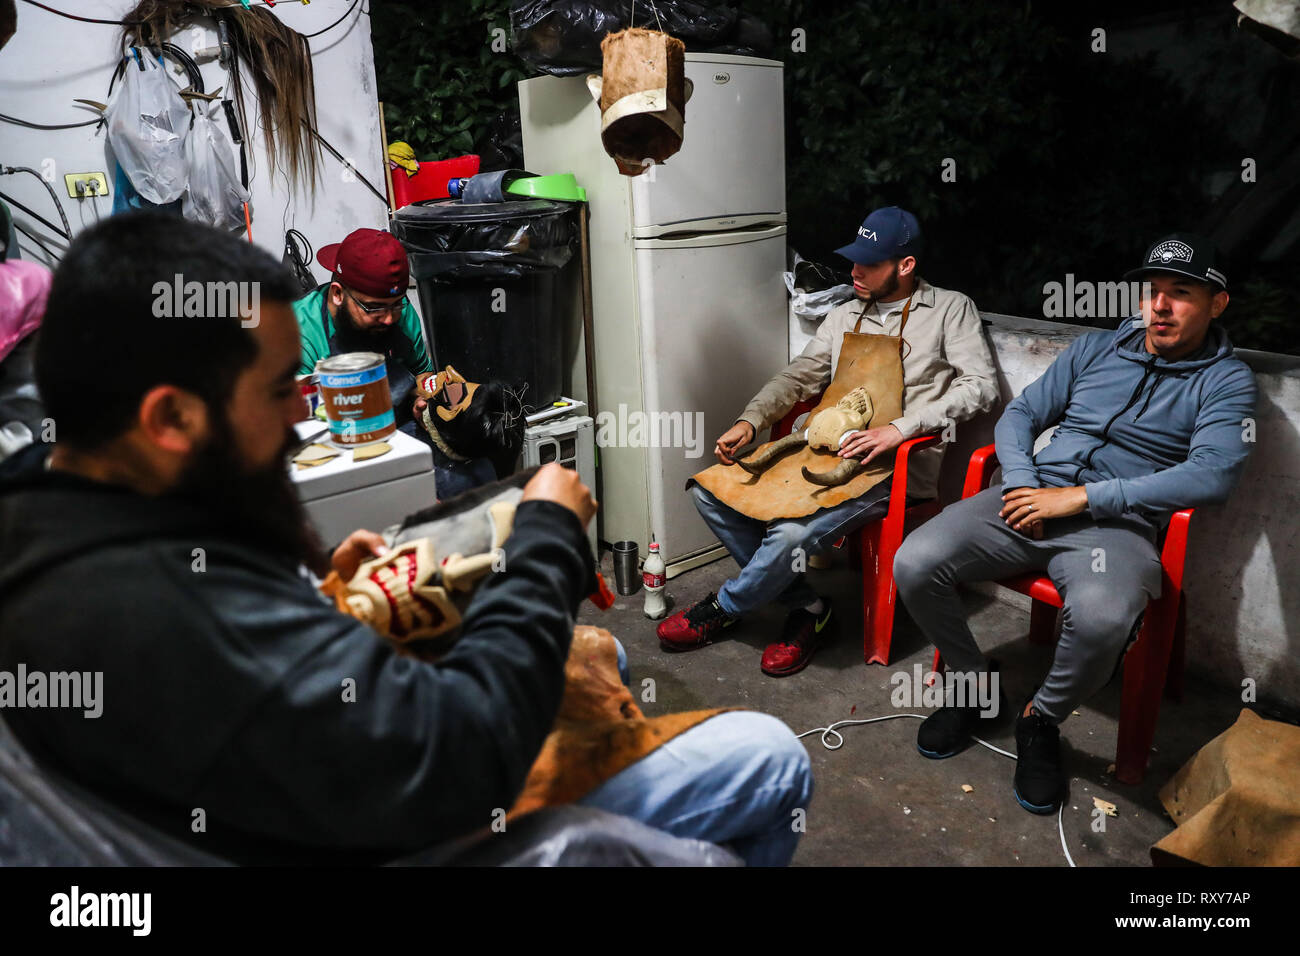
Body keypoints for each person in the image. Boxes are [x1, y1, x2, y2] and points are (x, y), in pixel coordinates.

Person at [0, 212, 811, 865]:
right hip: (409, 815)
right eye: (285, 391)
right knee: (770, 756)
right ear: (171, 418)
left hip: (317, 782)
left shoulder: (54, 504)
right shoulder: (167, 608)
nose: (301, 418)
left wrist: (324, 592)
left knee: (607, 656)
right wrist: (545, 541)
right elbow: (464, 753)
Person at [893, 233, 1257, 814]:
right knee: (914, 561)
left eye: (1180, 293)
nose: (1159, 306)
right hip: (1027, 498)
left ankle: (1042, 718)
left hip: (1115, 525)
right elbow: (1022, 414)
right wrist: (1021, 482)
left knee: (1103, 618)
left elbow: (1212, 476)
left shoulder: (1226, 381)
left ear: (1217, 304)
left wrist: (1084, 497)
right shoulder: (1094, 350)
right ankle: (973, 685)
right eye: (1152, 291)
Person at [659, 206, 999, 676]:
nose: (855, 271)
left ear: (905, 265)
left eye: (870, 263)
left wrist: (900, 429)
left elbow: (980, 386)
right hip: (818, 452)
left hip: (890, 471)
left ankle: (723, 608)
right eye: (854, 259)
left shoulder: (948, 310)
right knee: (708, 492)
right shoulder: (843, 315)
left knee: (790, 534)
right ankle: (809, 610)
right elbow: (800, 377)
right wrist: (751, 420)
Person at [293, 227, 433, 433]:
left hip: (397, 423)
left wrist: (425, 400)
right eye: (374, 307)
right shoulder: (298, 332)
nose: (388, 318)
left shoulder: (402, 315)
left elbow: (422, 373)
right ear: (338, 294)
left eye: (396, 303)